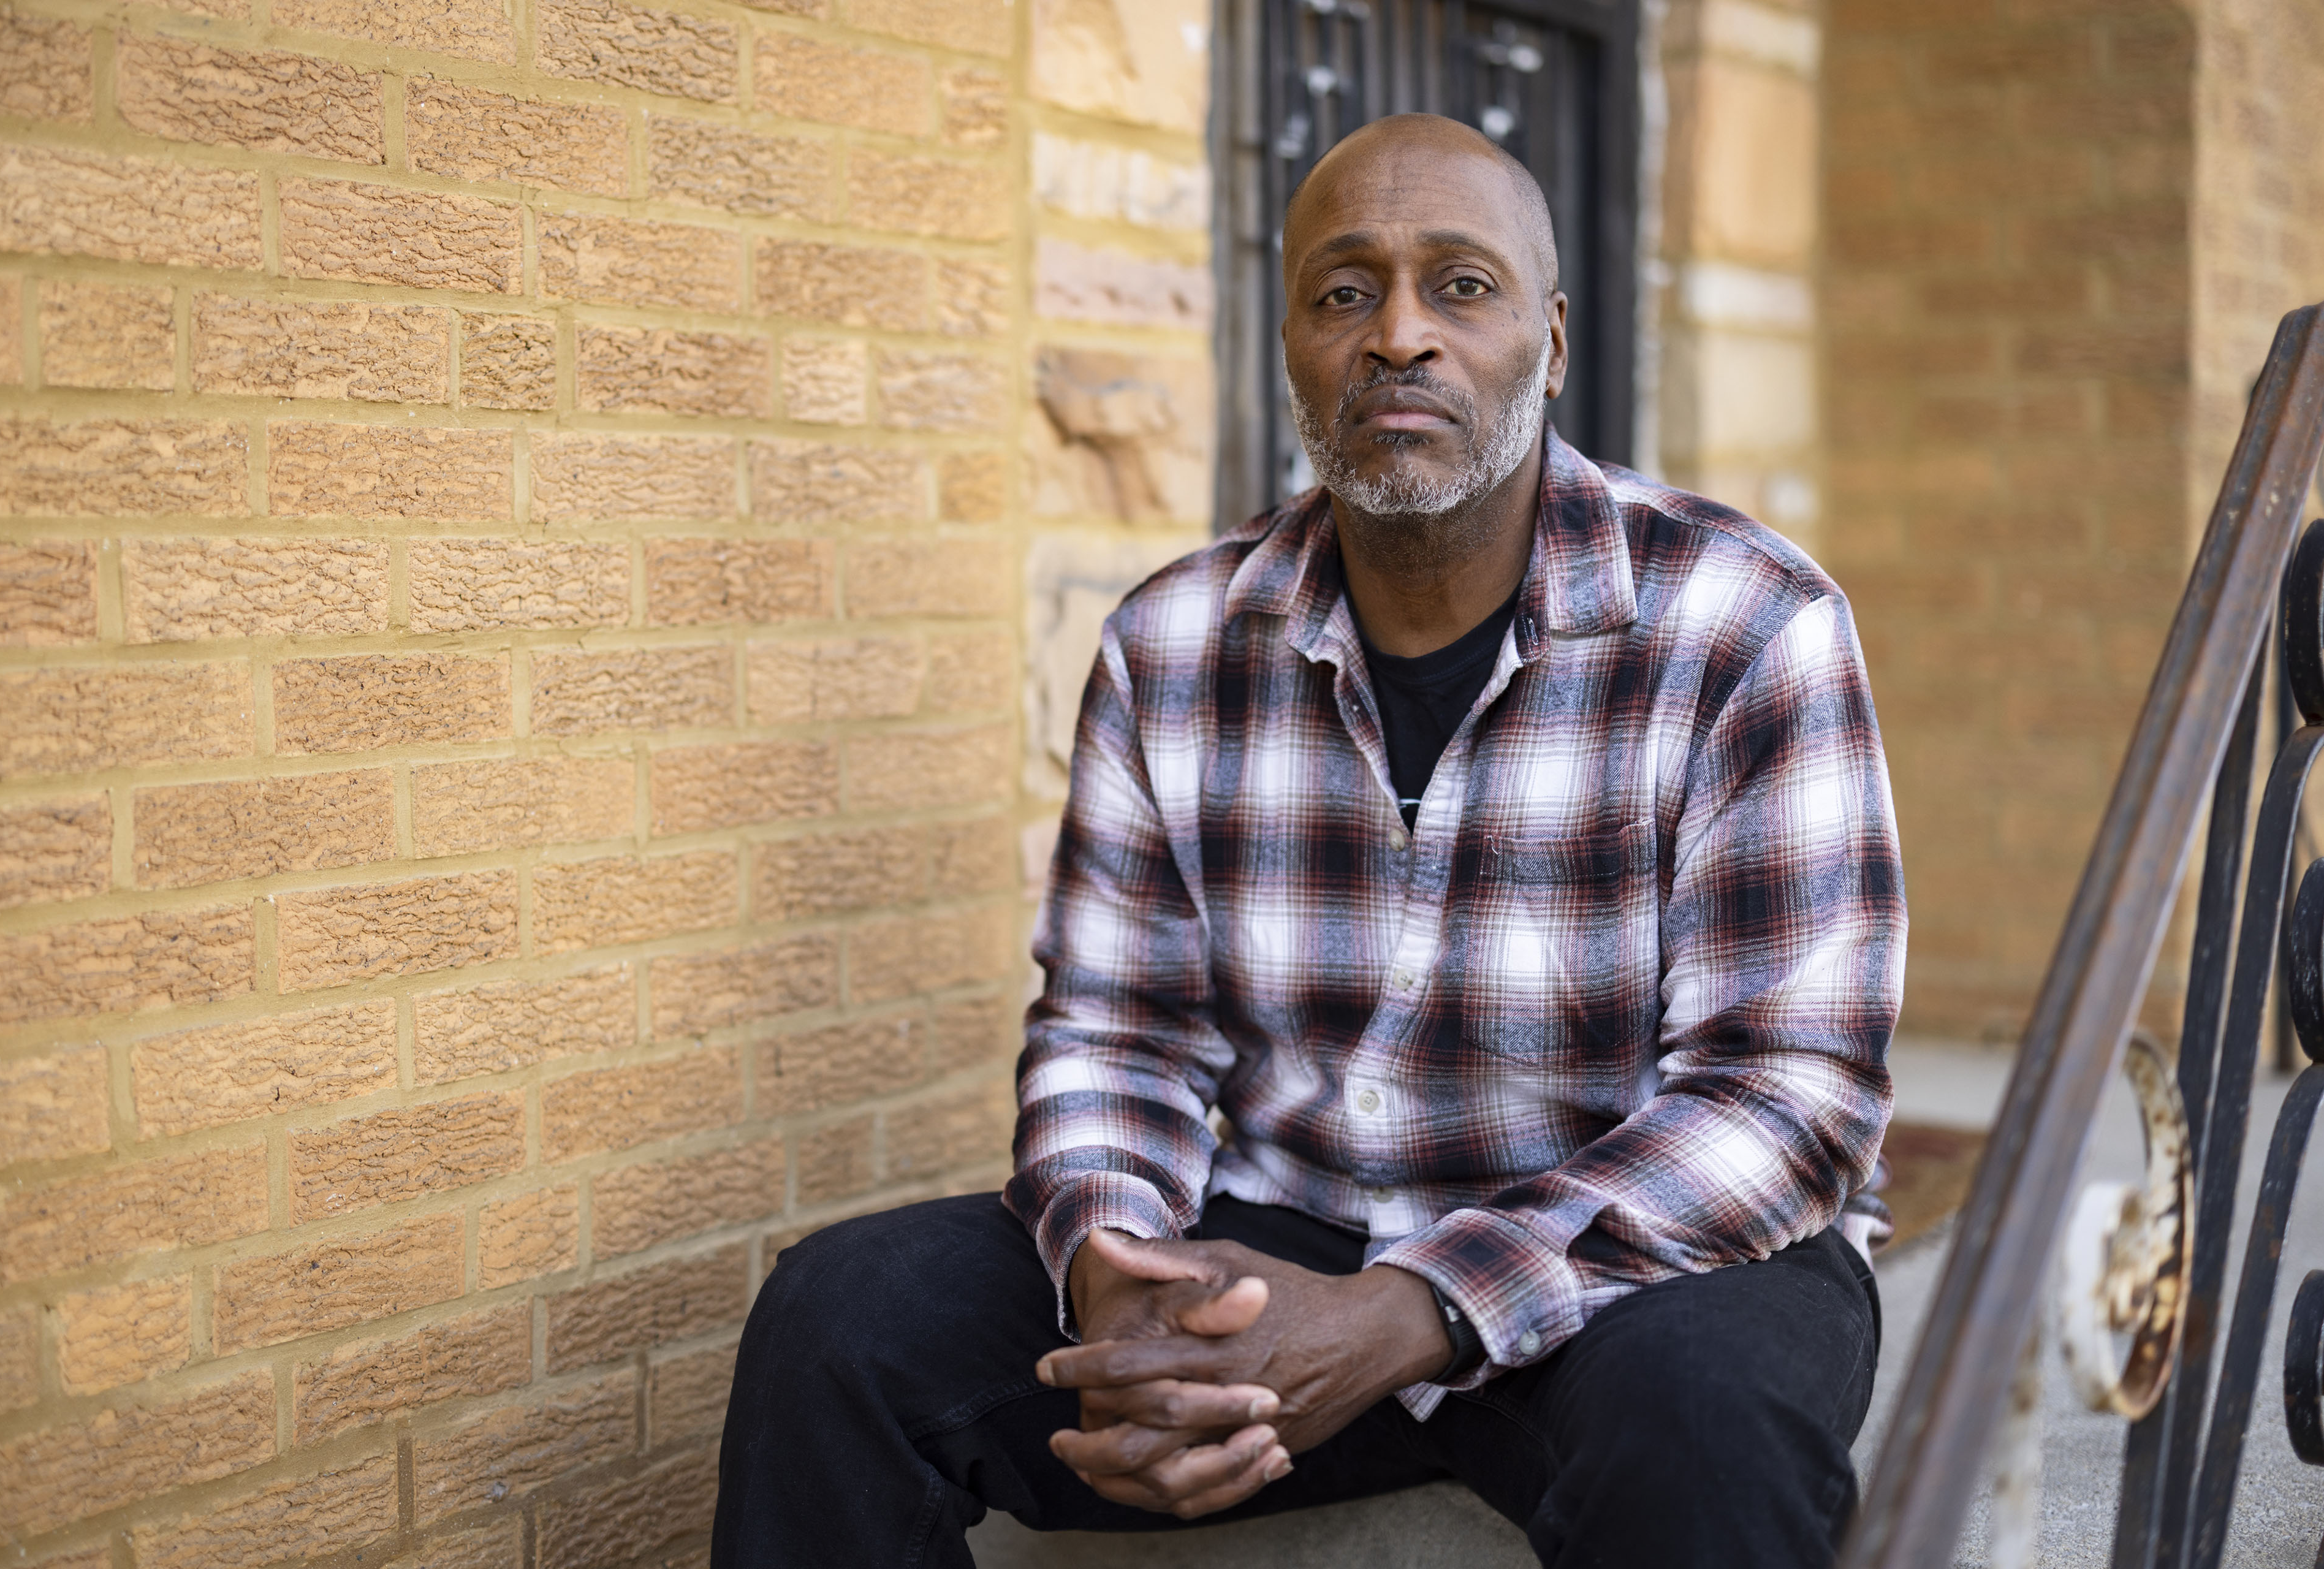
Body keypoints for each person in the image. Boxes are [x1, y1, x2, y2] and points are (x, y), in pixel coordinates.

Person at [711, 112, 1904, 1569]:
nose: (1399, 334)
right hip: (1281, 1245)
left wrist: (1410, 1309)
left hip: (1636, 1269)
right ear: (1290, 343)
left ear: (1554, 336)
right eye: (1346, 292)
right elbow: (1117, 1033)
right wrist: (1118, 1271)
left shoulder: (1748, 623)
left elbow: (1789, 1102)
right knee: (839, 1323)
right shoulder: (1174, 641)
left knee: (1708, 1420)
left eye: (1460, 286)